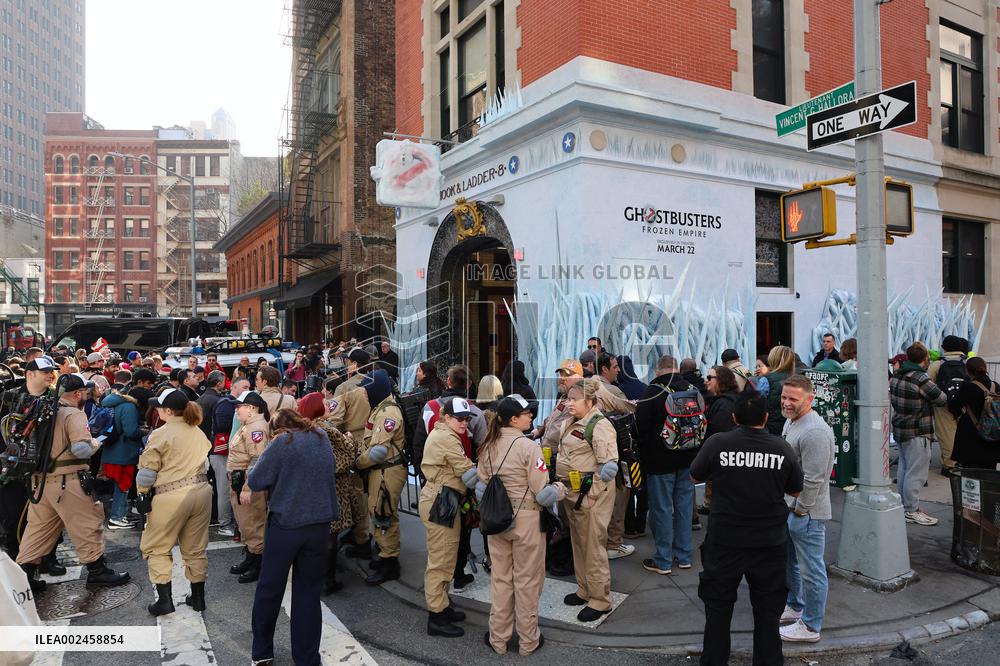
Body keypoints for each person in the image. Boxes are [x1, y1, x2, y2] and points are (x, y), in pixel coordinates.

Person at [690, 392, 804, 666]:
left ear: (734, 418)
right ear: (765, 418)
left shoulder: (718, 443)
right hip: (769, 542)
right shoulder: (782, 448)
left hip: (725, 540)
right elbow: (796, 488)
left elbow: (695, 475)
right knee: (767, 612)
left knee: (718, 608)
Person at [16, 373, 130, 591]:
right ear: (78, 394)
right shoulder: (73, 414)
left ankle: (24, 577)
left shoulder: (44, 412)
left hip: (40, 483)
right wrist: (98, 440)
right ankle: (98, 571)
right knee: (87, 524)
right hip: (67, 481)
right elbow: (81, 448)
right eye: (85, 392)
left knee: (38, 530)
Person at [248, 408, 338, 666]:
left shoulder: (281, 442)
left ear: (277, 428)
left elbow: (256, 481)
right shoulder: (321, 436)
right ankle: (307, 658)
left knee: (269, 589)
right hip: (319, 525)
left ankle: (262, 652)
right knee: (309, 593)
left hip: (287, 525)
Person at [478, 394, 563, 656]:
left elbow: (481, 480)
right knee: (527, 581)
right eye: (527, 414)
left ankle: (498, 639)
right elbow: (541, 490)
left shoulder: (488, 444)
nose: (531, 417)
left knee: (501, 579)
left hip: (496, 519)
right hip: (526, 520)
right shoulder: (529, 447)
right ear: (514, 419)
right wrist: (559, 489)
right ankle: (528, 641)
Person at [137, 388, 213, 616]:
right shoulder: (197, 431)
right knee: (196, 548)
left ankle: (164, 601)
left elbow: (148, 471)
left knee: (157, 546)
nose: (157, 410)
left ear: (168, 410)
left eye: (159, 406)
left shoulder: (161, 433)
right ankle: (198, 598)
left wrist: (142, 494)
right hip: (201, 491)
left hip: (171, 494)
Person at [777, 375, 835, 644]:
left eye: (793, 399)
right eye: (784, 397)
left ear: (810, 399)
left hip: (807, 514)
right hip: (793, 509)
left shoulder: (815, 432)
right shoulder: (792, 420)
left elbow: (814, 479)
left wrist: (800, 511)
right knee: (793, 564)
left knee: (812, 570)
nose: (786, 403)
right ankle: (795, 605)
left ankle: (811, 626)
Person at [557, 378, 619, 622]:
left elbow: (608, 467)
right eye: (568, 398)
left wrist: (592, 494)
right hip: (574, 493)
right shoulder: (573, 420)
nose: (569, 403)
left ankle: (600, 600)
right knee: (579, 542)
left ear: (589, 401)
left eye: (574, 399)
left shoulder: (600, 425)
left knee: (593, 546)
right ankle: (585, 589)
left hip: (590, 494)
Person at [419, 396, 480, 637]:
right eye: (460, 419)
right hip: (441, 501)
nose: (464, 423)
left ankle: (442, 606)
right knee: (441, 560)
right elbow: (466, 471)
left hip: (444, 499)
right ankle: (436, 616)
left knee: (446, 556)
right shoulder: (445, 437)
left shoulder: (447, 434)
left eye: (467, 418)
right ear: (446, 417)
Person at [634, 356, 696, 576]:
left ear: (658, 370)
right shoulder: (691, 387)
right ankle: (685, 555)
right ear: (676, 368)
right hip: (688, 457)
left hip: (660, 460)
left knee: (661, 509)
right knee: (684, 507)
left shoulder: (654, 390)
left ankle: (663, 560)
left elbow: (640, 425)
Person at [306, 392, 363, 594]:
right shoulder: (325, 429)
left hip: (318, 489)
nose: (329, 405)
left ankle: (320, 576)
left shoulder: (308, 428)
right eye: (324, 403)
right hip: (332, 488)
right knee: (330, 536)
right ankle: (326, 580)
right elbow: (341, 460)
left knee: (323, 535)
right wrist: (350, 442)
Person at [356, 370, 408, 586]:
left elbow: (378, 452)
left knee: (383, 514)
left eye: (367, 390)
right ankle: (386, 555)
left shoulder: (387, 413)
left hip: (386, 471)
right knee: (381, 512)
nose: (365, 395)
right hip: (383, 470)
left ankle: (390, 563)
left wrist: (357, 463)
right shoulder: (383, 408)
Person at [889, 343, 948, 526]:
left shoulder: (897, 376)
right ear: (924, 360)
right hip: (918, 430)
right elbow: (941, 398)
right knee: (917, 474)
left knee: (905, 469)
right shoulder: (920, 378)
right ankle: (911, 510)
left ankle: (904, 505)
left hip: (900, 428)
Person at [227, 390, 272, 582]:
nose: (237, 411)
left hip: (248, 482)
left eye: (240, 407)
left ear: (251, 408)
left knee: (253, 523)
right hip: (240, 480)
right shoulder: (249, 425)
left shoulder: (256, 428)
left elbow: (257, 460)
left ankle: (259, 564)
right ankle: (251, 557)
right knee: (245, 522)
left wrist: (248, 487)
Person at [100, 382, 144, 530]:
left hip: (110, 450)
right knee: (122, 486)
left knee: (119, 486)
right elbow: (131, 431)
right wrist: (144, 431)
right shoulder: (129, 407)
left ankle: (121, 514)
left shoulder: (109, 403)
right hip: (124, 452)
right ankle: (117, 518)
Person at [699, 366, 741, 515]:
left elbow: (719, 435)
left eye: (710, 378)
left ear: (721, 381)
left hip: (725, 464)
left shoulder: (724, 404)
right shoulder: (725, 400)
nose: (706, 381)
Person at [211, 377, 248, 539]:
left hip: (227, 452)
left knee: (229, 488)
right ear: (234, 387)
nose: (248, 388)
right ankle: (224, 523)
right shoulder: (226, 403)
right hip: (222, 453)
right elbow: (222, 425)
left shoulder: (229, 403)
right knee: (225, 488)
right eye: (244, 386)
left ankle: (228, 521)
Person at [949, 356, 1000, 470]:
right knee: (989, 472)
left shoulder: (968, 387)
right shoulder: (995, 386)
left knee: (971, 474)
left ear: (967, 370)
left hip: (972, 435)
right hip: (993, 436)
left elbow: (953, 407)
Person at [929, 335, 969, 474]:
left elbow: (930, 385)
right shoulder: (967, 362)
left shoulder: (937, 365)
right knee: (964, 433)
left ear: (943, 348)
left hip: (943, 405)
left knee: (947, 435)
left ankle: (949, 465)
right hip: (965, 404)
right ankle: (964, 461)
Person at [764, 346, 796, 436]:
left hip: (770, 429)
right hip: (792, 427)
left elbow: (758, 404)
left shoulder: (766, 379)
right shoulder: (797, 379)